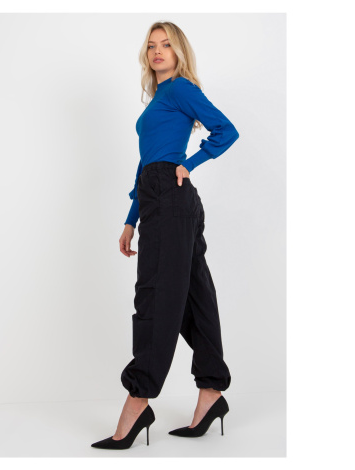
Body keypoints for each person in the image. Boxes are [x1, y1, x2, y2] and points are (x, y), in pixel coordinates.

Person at [91, 21, 239, 450]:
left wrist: (189, 164)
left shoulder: (180, 89)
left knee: (156, 295)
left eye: (166, 44)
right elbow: (146, 165)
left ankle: (138, 400)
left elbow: (225, 131)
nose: (158, 51)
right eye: (152, 45)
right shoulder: (158, 99)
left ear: (178, 52)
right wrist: (131, 218)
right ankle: (211, 391)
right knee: (194, 295)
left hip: (171, 198)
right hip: (161, 199)